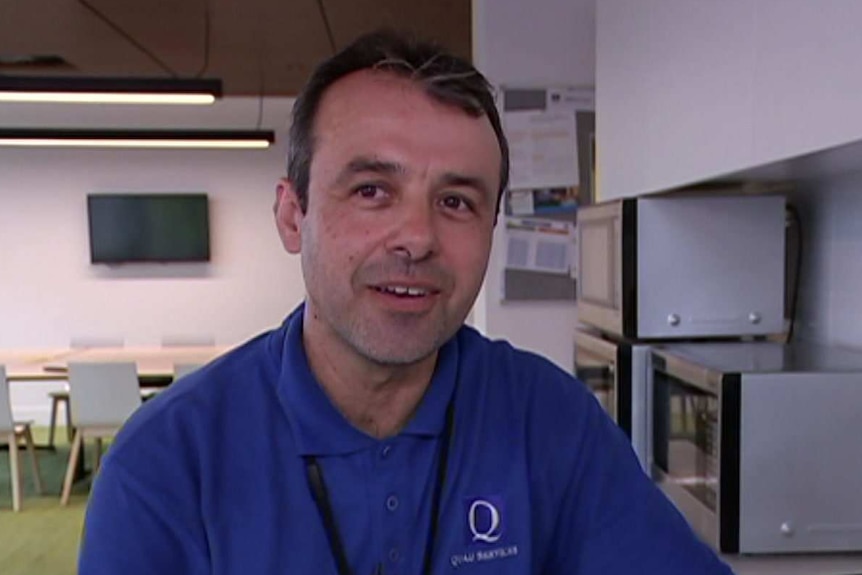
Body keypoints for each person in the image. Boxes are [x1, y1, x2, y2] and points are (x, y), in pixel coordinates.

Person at [79, 29, 734, 575]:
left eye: (456, 202)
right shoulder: (166, 462)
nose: (418, 238)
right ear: (291, 214)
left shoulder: (550, 424)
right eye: (371, 191)